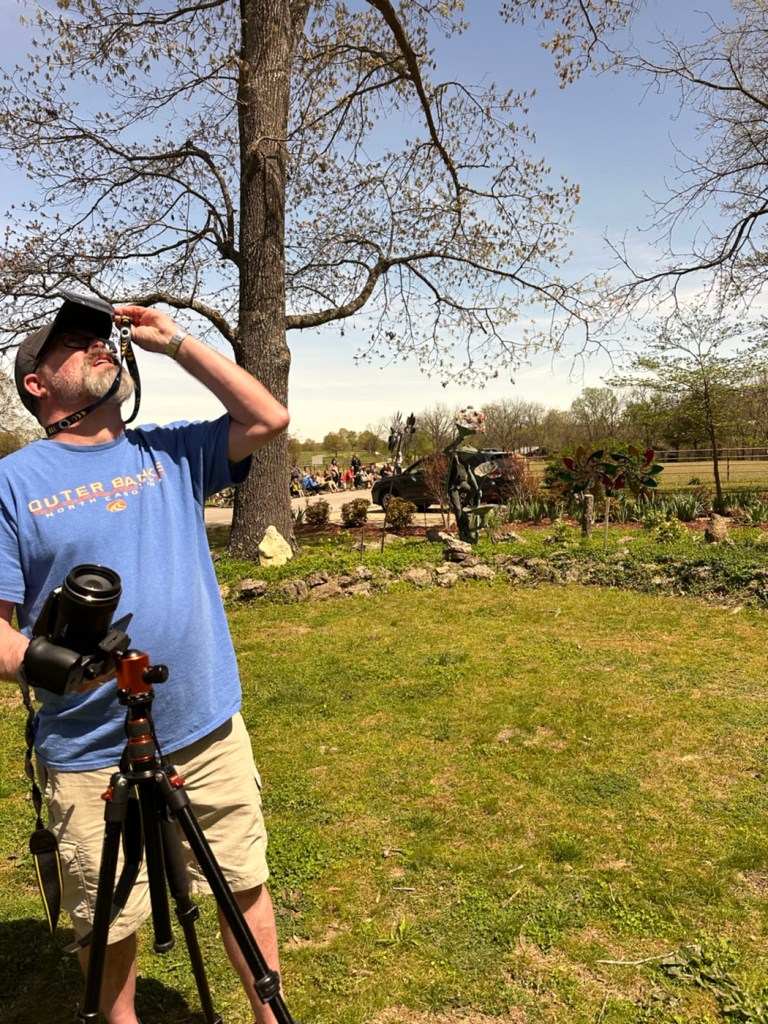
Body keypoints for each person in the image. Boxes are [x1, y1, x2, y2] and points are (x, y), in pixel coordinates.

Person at [0, 294, 291, 1024]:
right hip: (90, 748)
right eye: (74, 342)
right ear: (37, 382)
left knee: (241, 880)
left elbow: (268, 418)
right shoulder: (13, 483)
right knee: (108, 920)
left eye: (101, 335)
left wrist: (177, 342)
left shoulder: (170, 450)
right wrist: (61, 668)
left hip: (205, 726)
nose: (100, 343)